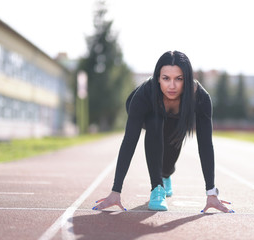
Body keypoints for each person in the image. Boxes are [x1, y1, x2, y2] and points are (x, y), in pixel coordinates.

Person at [92, 51, 234, 213]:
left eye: (178, 79)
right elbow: (129, 141)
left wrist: (211, 193)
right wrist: (116, 191)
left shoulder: (200, 98)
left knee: (169, 157)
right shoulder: (144, 94)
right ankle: (157, 188)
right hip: (148, 114)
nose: (171, 86)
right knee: (155, 122)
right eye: (166, 78)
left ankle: (166, 175)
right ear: (158, 78)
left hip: (178, 119)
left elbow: (206, 144)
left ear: (187, 80)